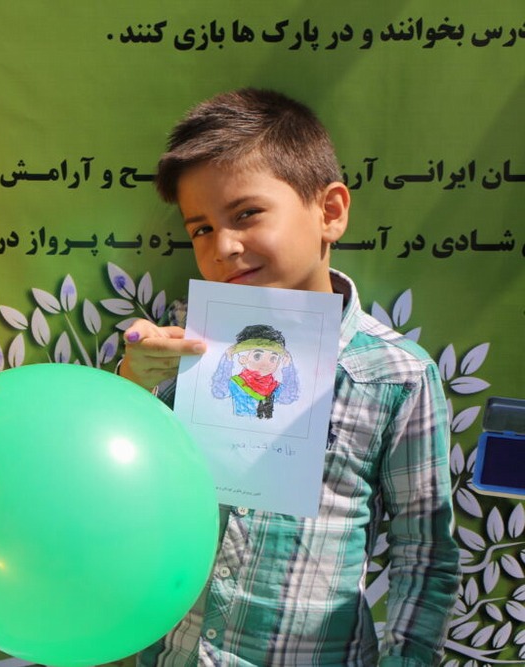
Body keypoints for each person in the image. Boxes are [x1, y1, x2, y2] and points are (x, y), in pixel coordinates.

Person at [120, 88, 460, 666]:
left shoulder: (397, 376)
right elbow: (121, 498)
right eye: (200, 229)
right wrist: (131, 382)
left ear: (330, 212)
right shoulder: (181, 355)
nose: (223, 246)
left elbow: (424, 556)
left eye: (246, 214)